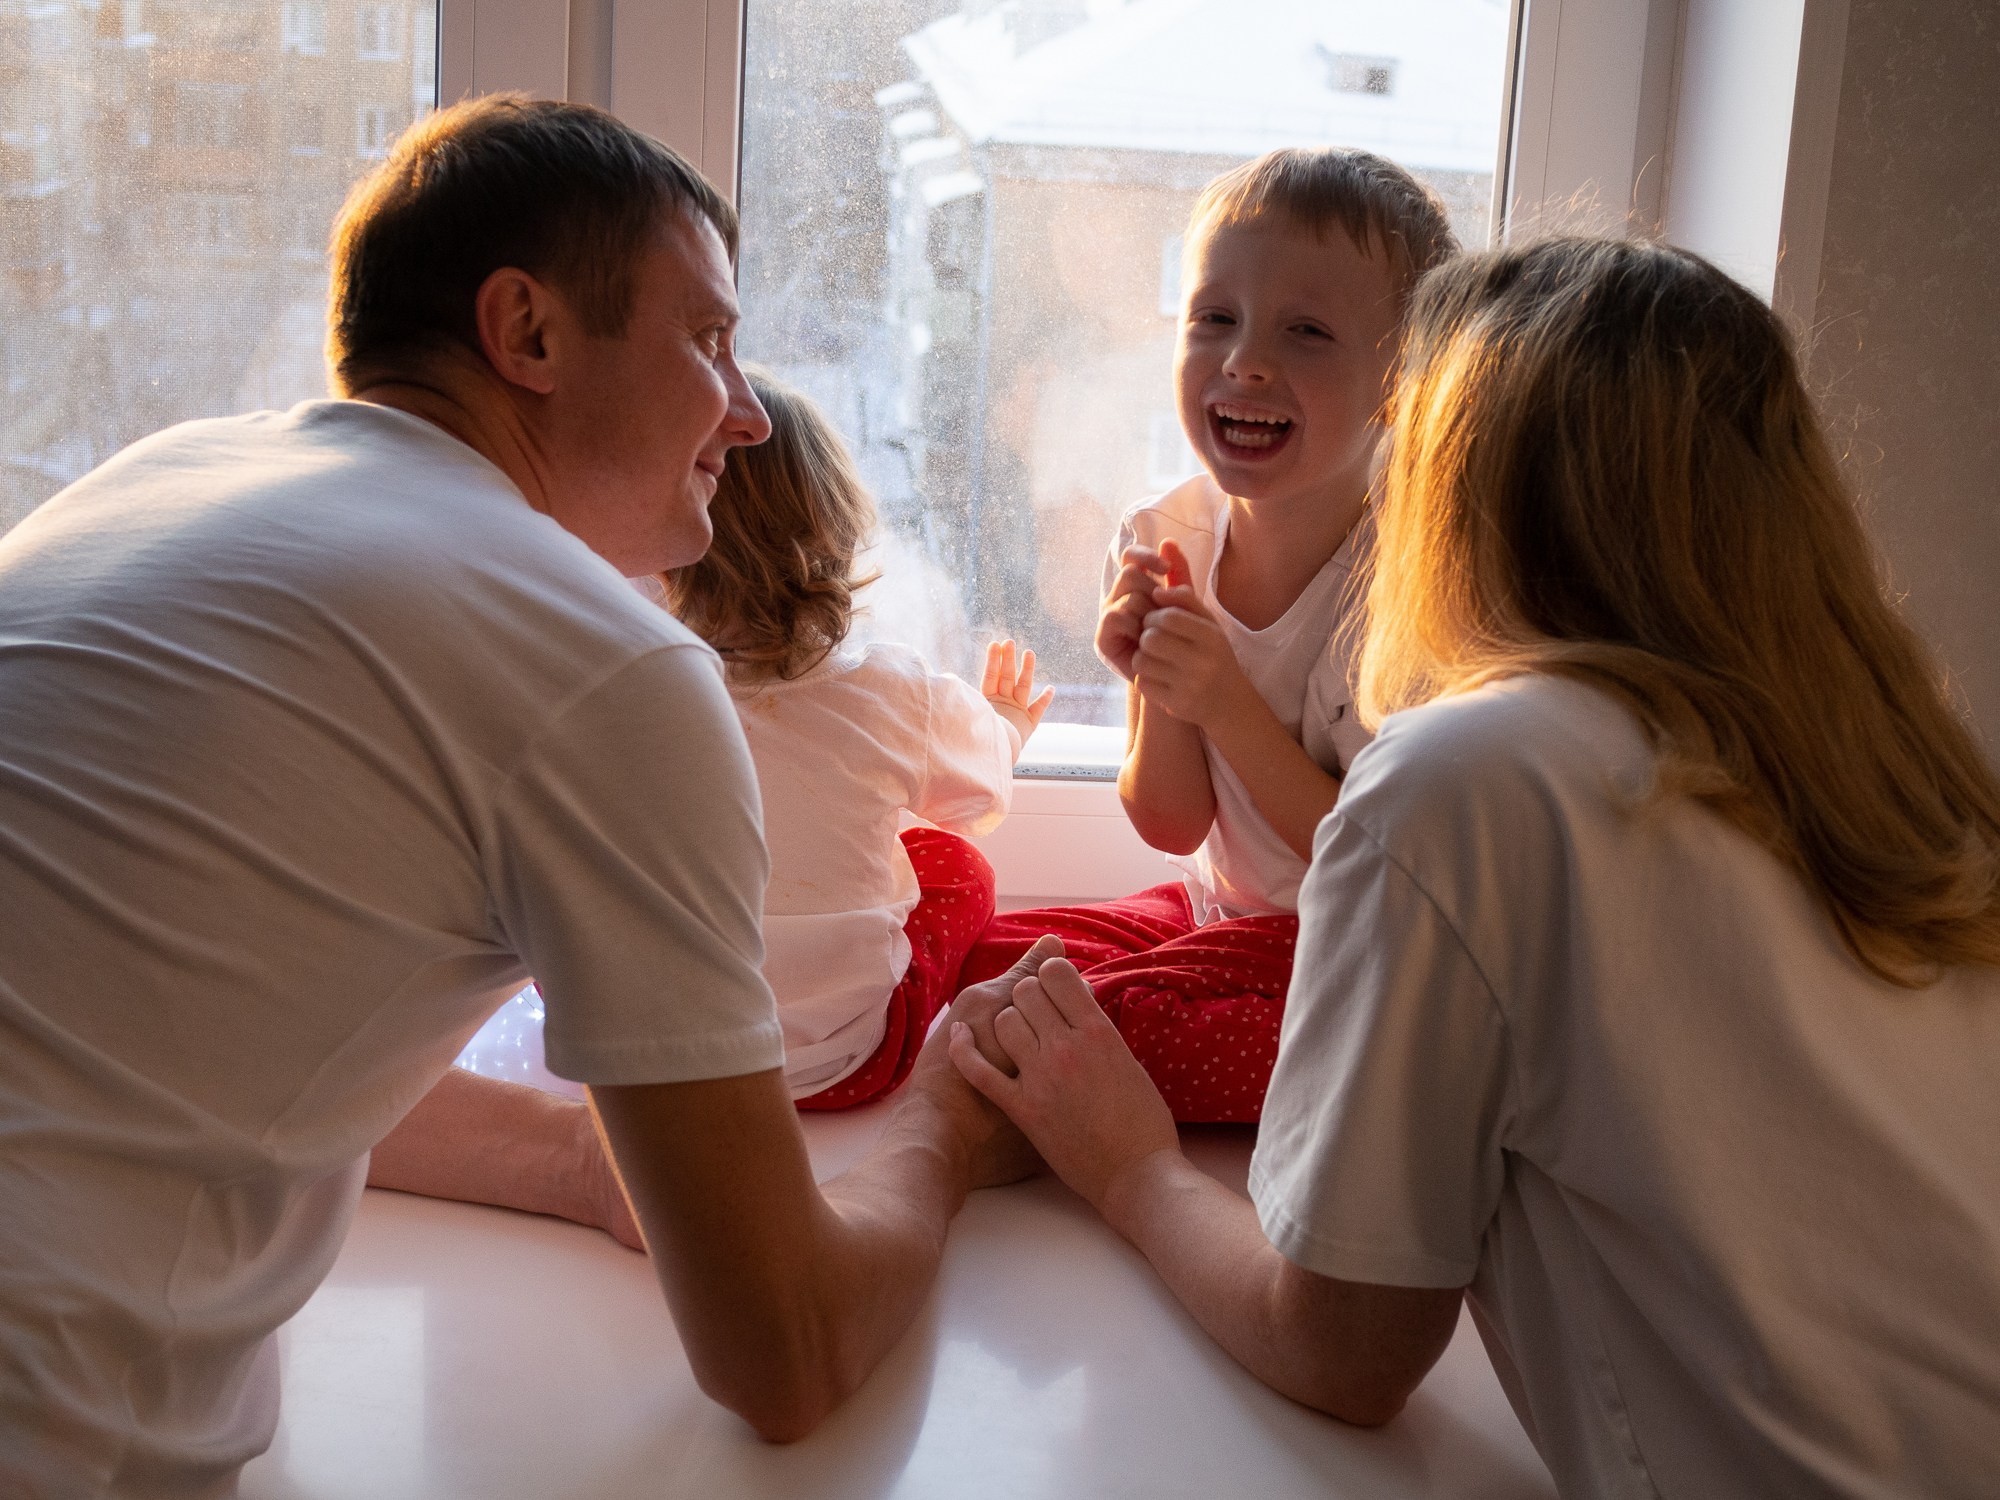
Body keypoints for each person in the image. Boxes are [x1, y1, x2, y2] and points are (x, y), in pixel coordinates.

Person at [0, 95, 1045, 1496]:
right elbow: (784, 1356)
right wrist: (943, 1124)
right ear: (529, 334)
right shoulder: (601, 665)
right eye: (713, 341)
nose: (744, 414)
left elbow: (233, 1037)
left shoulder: (153, 486)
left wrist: (582, 1160)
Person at [951, 237, 2000, 1496]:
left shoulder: (1476, 775)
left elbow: (1340, 1352)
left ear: (1462, 492)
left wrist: (1129, 1167)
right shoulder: (1894, 764)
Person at [959, 148, 1459, 1123]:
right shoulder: (1164, 536)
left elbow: (1366, 855)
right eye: (1212, 320)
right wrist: (1157, 684)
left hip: (1344, 951)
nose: (1244, 362)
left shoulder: (1404, 585)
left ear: (1401, 382)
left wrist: (1222, 699)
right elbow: (1169, 825)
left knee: (1096, 1024)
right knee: (988, 971)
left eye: (1305, 332)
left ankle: (1087, 1098)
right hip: (1209, 918)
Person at [659, 367, 1052, 1107]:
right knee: (958, 867)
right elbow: (975, 794)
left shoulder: (631, 689)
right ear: (835, 530)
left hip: (663, 1069)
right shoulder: (887, 688)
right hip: (844, 1063)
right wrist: (1005, 723)